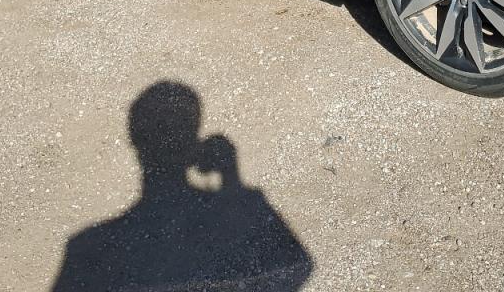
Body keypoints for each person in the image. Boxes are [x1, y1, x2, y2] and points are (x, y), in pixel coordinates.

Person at [51, 81, 313, 291]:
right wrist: (231, 180)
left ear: (134, 140)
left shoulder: (86, 247)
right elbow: (299, 266)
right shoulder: (245, 213)